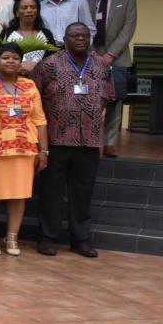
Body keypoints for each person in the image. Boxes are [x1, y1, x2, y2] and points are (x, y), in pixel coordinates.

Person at [34, 22, 114, 257]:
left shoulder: (101, 65)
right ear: (65, 39)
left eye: (84, 35)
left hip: (89, 141)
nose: (80, 39)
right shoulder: (49, 64)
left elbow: (108, 97)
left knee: (83, 192)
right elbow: (34, 99)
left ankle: (80, 239)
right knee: (51, 192)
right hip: (56, 140)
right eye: (74, 36)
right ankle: (47, 237)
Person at [0, 43, 47, 256]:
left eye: (15, 58)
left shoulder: (29, 86)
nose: (11, 61)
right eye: (6, 57)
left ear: (20, 62)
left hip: (24, 147)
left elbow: (39, 119)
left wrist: (44, 150)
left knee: (19, 194)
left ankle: (12, 237)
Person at [83, 0, 137, 159]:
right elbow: (79, 27)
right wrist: (92, 53)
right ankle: (89, 139)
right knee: (87, 97)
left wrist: (110, 54)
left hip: (118, 57)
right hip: (88, 56)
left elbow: (129, 27)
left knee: (115, 100)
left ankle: (110, 142)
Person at [4, 0, 56, 75]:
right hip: (12, 80)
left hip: (40, 81)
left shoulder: (46, 34)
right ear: (17, 12)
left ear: (37, 11)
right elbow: (0, 58)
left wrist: (37, 66)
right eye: (24, 7)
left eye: (33, 7)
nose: (29, 10)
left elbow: (53, 60)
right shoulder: (6, 33)